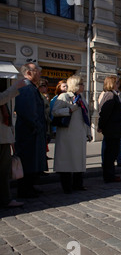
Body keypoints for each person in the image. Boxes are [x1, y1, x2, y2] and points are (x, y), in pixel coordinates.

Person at [52, 75, 92, 194]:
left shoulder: (81, 98)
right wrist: (69, 109)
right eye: (81, 84)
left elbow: (86, 117)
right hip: (67, 134)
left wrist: (88, 132)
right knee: (67, 160)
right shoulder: (64, 96)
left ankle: (78, 184)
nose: (83, 86)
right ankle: (67, 186)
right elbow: (54, 111)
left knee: (78, 159)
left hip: (79, 133)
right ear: (75, 85)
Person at [14, 62, 48, 198]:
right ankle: (24, 189)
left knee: (33, 162)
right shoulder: (26, 88)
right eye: (37, 71)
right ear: (28, 73)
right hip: (29, 134)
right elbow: (28, 112)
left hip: (33, 132)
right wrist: (37, 127)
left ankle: (30, 187)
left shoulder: (32, 88)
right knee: (28, 162)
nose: (39, 73)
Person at [1, 78, 27, 208]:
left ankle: (5, 198)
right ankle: (5, 199)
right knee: (3, 170)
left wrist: (11, 138)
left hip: (3, 138)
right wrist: (15, 87)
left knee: (4, 170)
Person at [98, 75, 121, 183]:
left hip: (114, 129)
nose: (118, 85)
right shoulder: (109, 95)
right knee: (110, 153)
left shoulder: (114, 95)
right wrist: (101, 126)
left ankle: (111, 174)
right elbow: (104, 113)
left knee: (113, 152)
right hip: (111, 129)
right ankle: (109, 175)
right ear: (112, 84)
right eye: (117, 83)